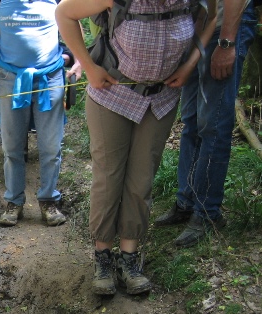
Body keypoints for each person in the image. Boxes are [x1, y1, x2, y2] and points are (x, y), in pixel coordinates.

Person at [56, 0, 216, 295]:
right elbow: (63, 13)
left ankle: (129, 257)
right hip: (111, 94)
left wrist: (190, 63)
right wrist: (89, 67)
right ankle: (103, 257)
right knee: (109, 177)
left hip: (162, 98)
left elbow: (211, 14)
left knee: (141, 179)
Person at [154, 0, 257, 247]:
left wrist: (227, 43)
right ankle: (186, 202)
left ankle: (207, 213)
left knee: (213, 124)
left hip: (224, 30)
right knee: (191, 121)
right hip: (199, 32)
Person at [0, 0, 72, 228]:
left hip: (50, 78)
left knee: (51, 146)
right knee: (12, 147)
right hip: (10, 77)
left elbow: (72, 21)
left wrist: (77, 59)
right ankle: (14, 202)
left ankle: (49, 200)